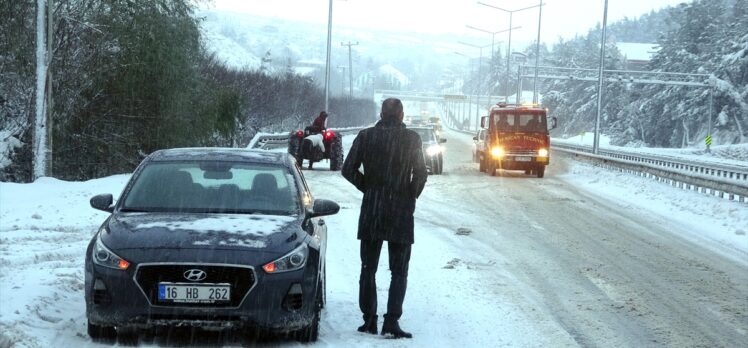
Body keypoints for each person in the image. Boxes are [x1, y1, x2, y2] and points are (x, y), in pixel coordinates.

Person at [342, 98, 427, 339]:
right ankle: (391, 321)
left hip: (372, 211)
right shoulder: (411, 139)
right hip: (400, 213)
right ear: (401, 115)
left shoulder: (366, 136)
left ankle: (369, 320)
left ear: (381, 114)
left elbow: (348, 169)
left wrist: (369, 189)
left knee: (368, 268)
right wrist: (409, 196)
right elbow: (421, 173)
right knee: (399, 271)